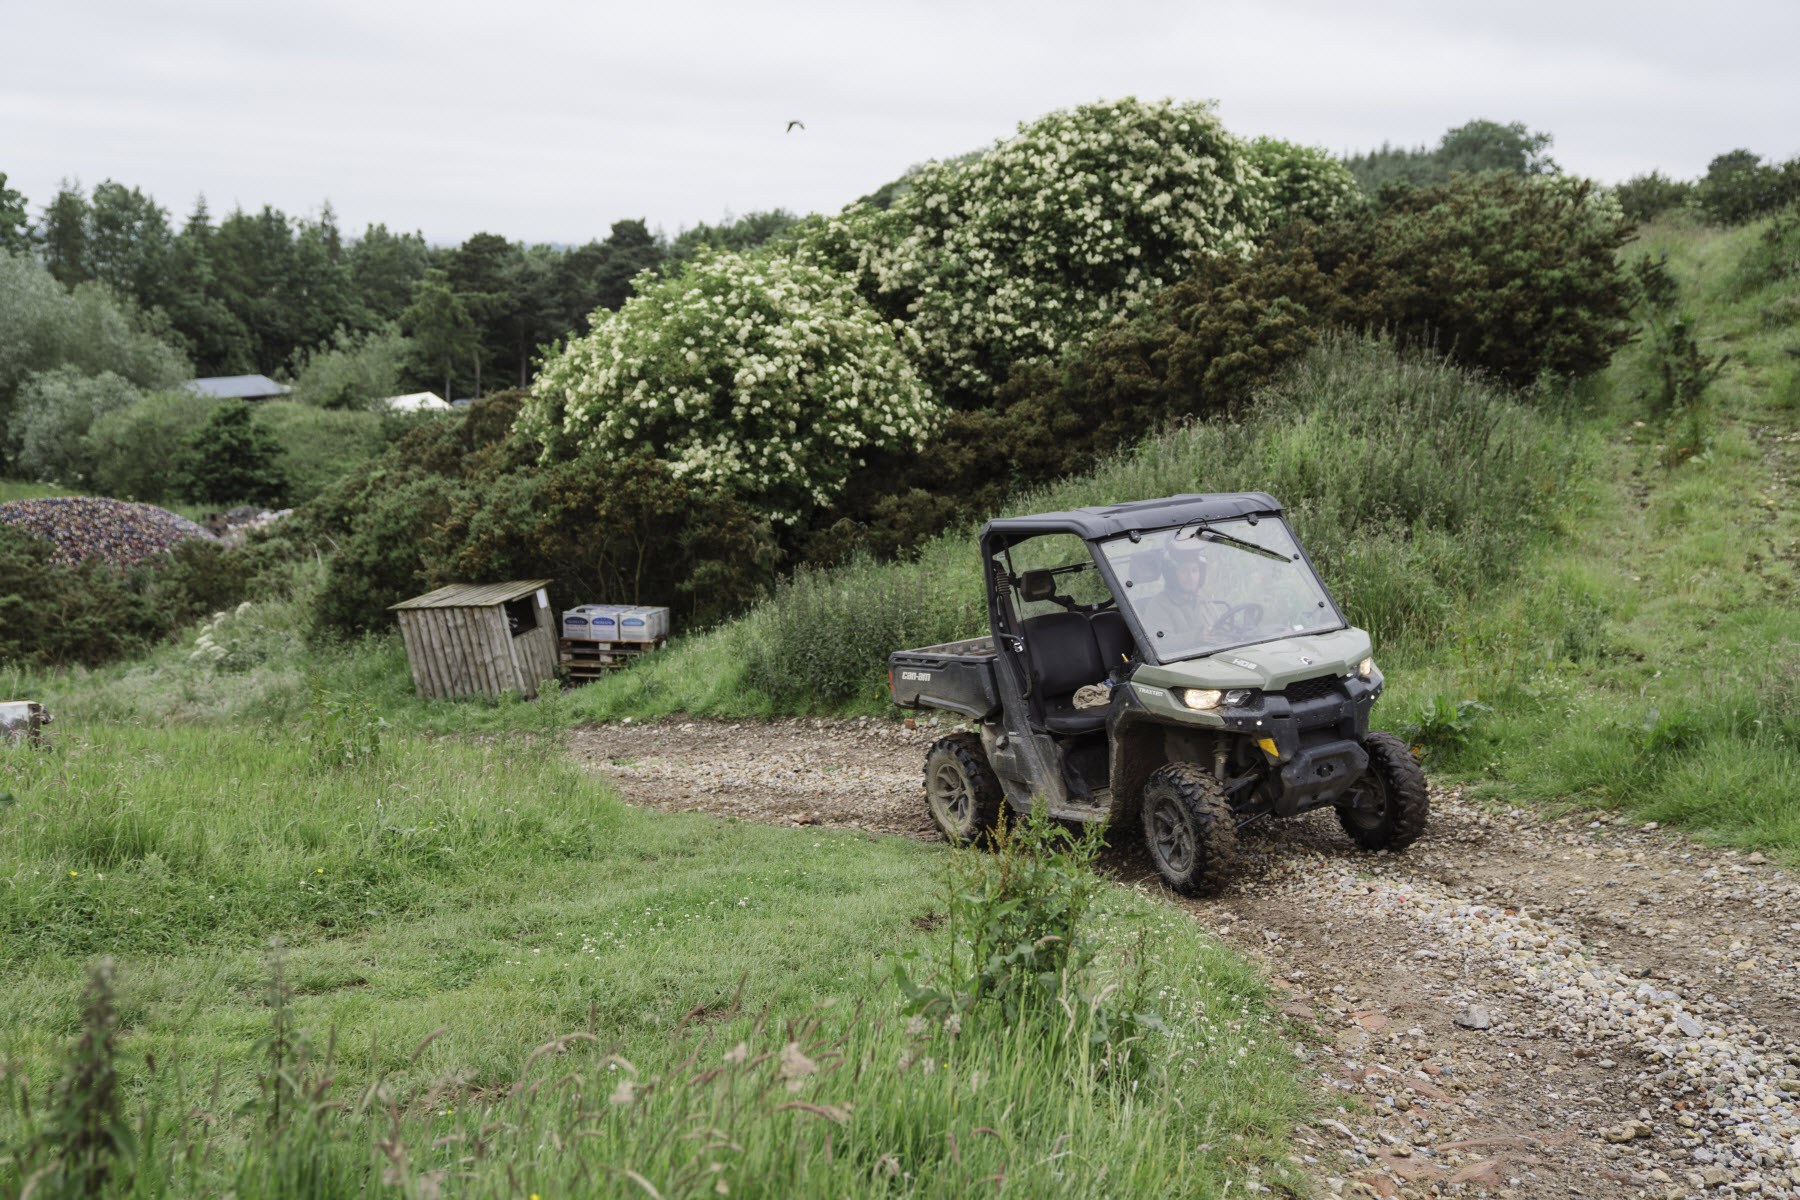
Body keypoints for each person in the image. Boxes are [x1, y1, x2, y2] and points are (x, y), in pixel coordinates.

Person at [1138, 540, 1224, 640]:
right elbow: (1161, 644)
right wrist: (1197, 637)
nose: (1191, 577)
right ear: (1172, 575)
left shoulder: (1202, 599)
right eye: (1184, 570)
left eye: (1194, 570)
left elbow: (1222, 628)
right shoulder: (1159, 604)